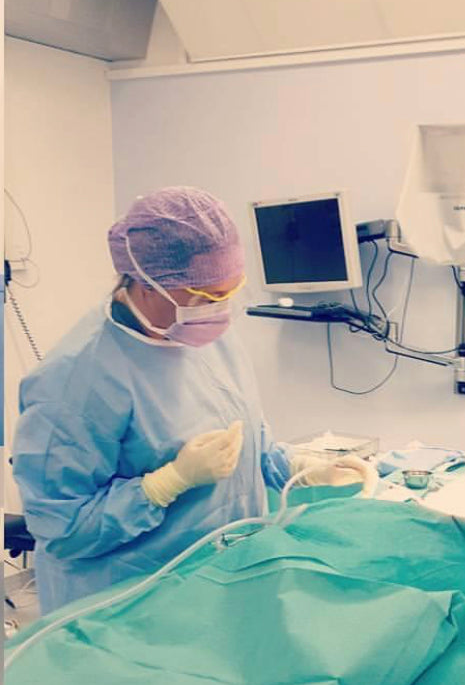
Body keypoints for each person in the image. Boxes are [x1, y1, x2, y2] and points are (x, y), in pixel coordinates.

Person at [13, 186, 370, 615]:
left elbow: (245, 439)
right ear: (148, 284)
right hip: (128, 608)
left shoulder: (204, 335)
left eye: (229, 292)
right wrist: (166, 483)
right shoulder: (74, 383)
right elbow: (64, 530)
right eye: (207, 297)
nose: (219, 310)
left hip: (219, 581)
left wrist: (301, 467)